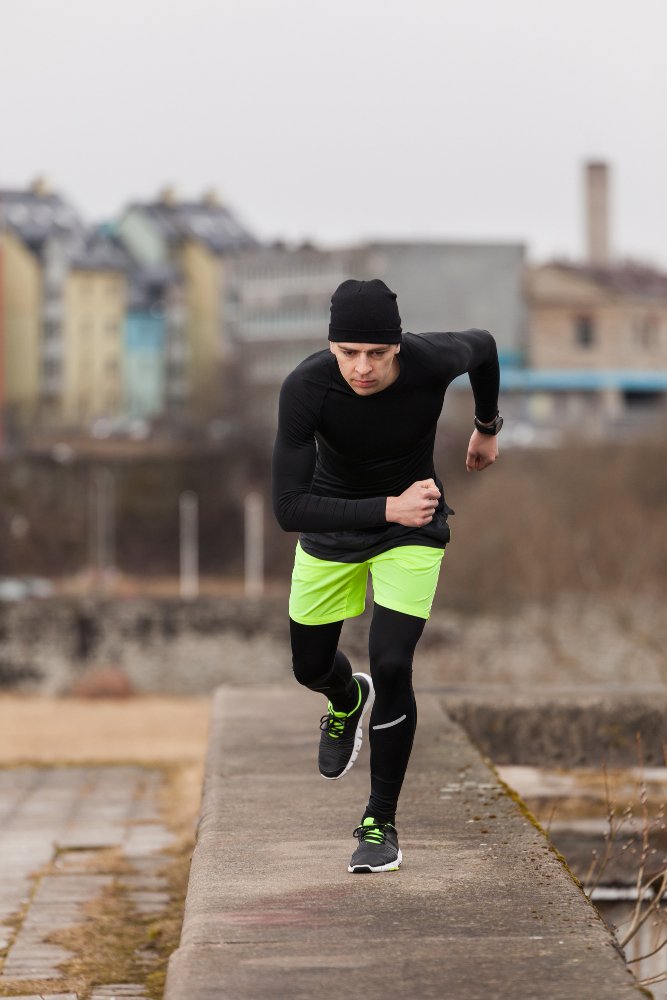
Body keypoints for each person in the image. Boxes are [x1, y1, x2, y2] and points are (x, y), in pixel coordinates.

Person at [272, 278, 501, 874]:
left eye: (376, 353)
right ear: (331, 347)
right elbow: (288, 508)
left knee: (395, 661)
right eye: (348, 353)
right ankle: (347, 697)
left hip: (415, 524)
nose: (362, 368)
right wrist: (384, 507)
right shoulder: (306, 387)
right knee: (309, 665)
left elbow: (485, 347)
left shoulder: (430, 360)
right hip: (335, 519)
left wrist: (487, 426)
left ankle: (380, 821)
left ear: (397, 346)